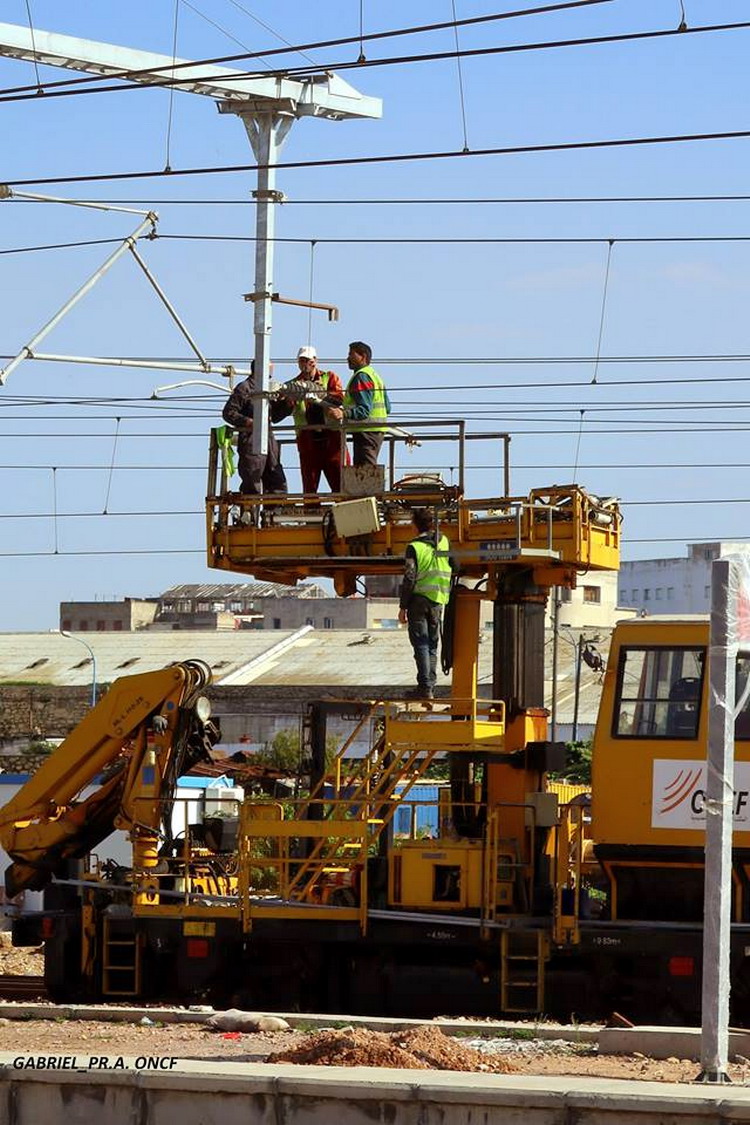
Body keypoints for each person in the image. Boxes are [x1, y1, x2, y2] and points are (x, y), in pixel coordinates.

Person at [274, 346, 347, 494]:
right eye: (302, 360)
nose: (306, 364)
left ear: (315, 361)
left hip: (332, 438)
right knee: (310, 485)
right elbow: (277, 416)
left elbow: (339, 400)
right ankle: (311, 507)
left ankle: (344, 506)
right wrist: (285, 400)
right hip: (308, 440)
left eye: (308, 360)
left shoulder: (329, 377)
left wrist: (319, 393)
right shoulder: (293, 386)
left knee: (341, 483)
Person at [398, 508, 453, 700]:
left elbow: (409, 577)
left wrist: (403, 606)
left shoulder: (414, 547)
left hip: (419, 600)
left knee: (420, 643)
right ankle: (430, 686)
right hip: (438, 600)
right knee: (432, 644)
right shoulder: (444, 541)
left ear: (416, 525)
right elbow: (455, 564)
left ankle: (424, 687)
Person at [221, 363, 288, 497]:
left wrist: (286, 403)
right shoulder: (244, 388)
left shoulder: (267, 389)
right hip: (251, 438)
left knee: (276, 478)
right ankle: (250, 508)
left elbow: (275, 416)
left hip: (268, 438)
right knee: (252, 477)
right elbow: (228, 412)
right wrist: (248, 422)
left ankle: (274, 508)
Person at [326, 341, 391, 466]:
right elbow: (387, 408)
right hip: (375, 431)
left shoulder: (361, 377)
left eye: (351, 354)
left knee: (364, 470)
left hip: (366, 431)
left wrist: (343, 414)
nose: (348, 358)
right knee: (366, 468)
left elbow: (364, 410)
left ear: (363, 356)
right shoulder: (374, 375)